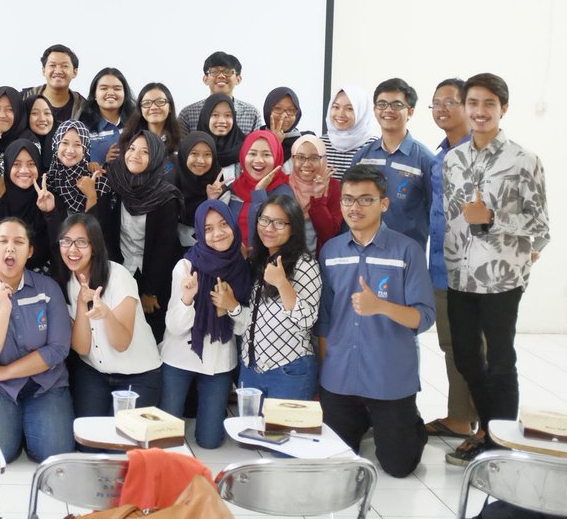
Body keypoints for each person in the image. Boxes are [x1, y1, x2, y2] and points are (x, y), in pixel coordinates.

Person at [443, 73, 550, 466]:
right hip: (459, 274)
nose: (480, 111)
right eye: (473, 103)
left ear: (503, 108)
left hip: (502, 278)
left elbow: (541, 227)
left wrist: (492, 220)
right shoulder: (452, 160)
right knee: (467, 359)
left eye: (489, 103)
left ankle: (501, 443)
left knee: (501, 360)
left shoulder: (523, 160)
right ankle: (489, 429)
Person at [317, 165, 434, 477]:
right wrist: (326, 369)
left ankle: (408, 420)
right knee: (336, 462)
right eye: (348, 200)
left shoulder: (406, 251)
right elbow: (325, 319)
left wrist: (380, 306)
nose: (355, 208)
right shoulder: (331, 251)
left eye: (366, 200)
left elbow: (424, 317)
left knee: (399, 466)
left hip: (388, 379)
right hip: (340, 379)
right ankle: (365, 420)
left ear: (384, 203)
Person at [0, 216, 75, 463]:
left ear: (30, 251)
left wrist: (7, 371)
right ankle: (17, 426)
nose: (10, 248)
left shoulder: (48, 288)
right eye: (3, 241)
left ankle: (28, 425)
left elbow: (58, 349)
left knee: (54, 454)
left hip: (44, 383)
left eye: (19, 242)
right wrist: (3, 310)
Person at [160, 200, 251, 449]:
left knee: (210, 442)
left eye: (223, 224)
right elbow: (174, 326)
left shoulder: (243, 269)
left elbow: (244, 329)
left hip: (219, 361)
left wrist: (232, 305)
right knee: (165, 437)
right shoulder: (186, 266)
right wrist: (188, 299)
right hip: (180, 356)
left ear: (233, 225)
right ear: (200, 232)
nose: (218, 233)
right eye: (208, 228)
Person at [213, 193, 321, 399]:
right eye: (264, 220)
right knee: (247, 432)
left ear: (294, 227)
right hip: (251, 369)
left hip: (289, 369)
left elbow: (307, 320)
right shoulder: (258, 261)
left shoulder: (305, 264)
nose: (269, 228)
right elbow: (252, 322)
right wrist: (233, 306)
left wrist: (282, 283)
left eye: (279, 223)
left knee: (284, 432)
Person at [54, 213, 162, 419]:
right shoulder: (65, 282)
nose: (72, 250)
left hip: (139, 374)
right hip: (94, 373)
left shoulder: (118, 276)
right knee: (88, 444)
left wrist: (106, 314)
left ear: (94, 246)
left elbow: (121, 343)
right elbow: (82, 347)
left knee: (124, 442)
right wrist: (80, 303)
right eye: (65, 241)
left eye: (81, 243)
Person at [424, 77, 478, 441]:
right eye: (436, 103)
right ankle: (459, 416)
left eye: (449, 102)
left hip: (478, 271)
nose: (441, 109)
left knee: (480, 350)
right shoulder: (440, 155)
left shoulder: (481, 153)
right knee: (451, 344)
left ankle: (489, 425)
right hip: (443, 267)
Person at [96, 130, 183, 342]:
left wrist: (150, 292)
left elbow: (165, 247)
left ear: (154, 158)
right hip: (118, 269)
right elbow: (105, 231)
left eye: (145, 151)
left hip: (153, 277)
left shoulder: (165, 196)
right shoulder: (115, 183)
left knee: (148, 336)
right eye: (132, 148)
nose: (135, 155)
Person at [350, 78, 436, 252]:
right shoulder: (362, 157)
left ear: (410, 112)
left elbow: (434, 213)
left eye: (397, 105)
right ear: (374, 110)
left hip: (407, 255)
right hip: (365, 252)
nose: (388, 110)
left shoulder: (425, 160)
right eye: (382, 104)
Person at [0, 139, 57, 274]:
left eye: (31, 164)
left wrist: (50, 213)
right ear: (7, 167)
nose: (24, 170)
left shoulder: (48, 198)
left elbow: (57, 246)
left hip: (41, 276)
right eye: (16, 164)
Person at [178, 52, 263, 135]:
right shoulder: (188, 114)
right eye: (214, 71)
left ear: (238, 79)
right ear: (205, 79)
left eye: (228, 72)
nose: (221, 76)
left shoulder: (251, 114)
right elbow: (182, 148)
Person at [228, 129, 289, 240]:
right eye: (252, 153)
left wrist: (259, 193)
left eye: (266, 154)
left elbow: (268, 235)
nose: (259, 160)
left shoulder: (284, 193)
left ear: (276, 157)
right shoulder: (234, 188)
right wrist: (214, 199)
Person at [287, 135, 343, 255]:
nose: (306, 164)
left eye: (314, 158)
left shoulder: (335, 187)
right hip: (286, 260)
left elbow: (328, 234)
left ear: (323, 159)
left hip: (321, 261)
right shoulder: (283, 185)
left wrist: (318, 197)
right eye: (300, 157)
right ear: (292, 159)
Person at [175, 132, 230, 247]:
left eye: (207, 155)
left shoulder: (220, 190)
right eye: (194, 154)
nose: (201, 160)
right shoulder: (171, 185)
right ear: (184, 154)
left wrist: (211, 201)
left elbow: (218, 230)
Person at [45, 120, 110, 216]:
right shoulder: (48, 182)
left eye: (78, 144)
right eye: (64, 143)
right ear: (56, 145)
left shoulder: (99, 182)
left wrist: (91, 196)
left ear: (85, 149)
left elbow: (102, 227)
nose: (70, 150)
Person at [78, 67, 135, 165]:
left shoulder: (135, 123)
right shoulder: (83, 128)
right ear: (95, 94)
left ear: (125, 94)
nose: (111, 93)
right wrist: (105, 164)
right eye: (104, 88)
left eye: (117, 88)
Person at [20, 44, 87, 125]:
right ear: (43, 70)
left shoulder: (83, 107)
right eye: (52, 65)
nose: (58, 71)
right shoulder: (24, 98)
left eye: (65, 66)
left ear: (75, 72)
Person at [321, 84, 378, 179]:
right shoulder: (321, 143)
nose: (340, 114)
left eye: (350, 109)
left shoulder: (374, 147)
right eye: (336, 107)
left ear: (362, 111)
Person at [120, 82, 182, 164]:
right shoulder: (129, 140)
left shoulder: (180, 143)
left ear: (170, 107)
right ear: (140, 109)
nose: (154, 107)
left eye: (160, 101)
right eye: (147, 103)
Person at [195, 93, 245, 182]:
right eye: (215, 115)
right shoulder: (192, 151)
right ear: (205, 117)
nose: (222, 121)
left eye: (228, 115)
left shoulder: (247, 150)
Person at [261, 86, 303, 158]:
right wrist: (273, 142)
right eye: (278, 109)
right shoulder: (255, 139)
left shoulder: (303, 142)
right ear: (268, 110)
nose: (284, 115)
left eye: (291, 110)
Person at [19, 94, 56, 161]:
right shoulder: (17, 146)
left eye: (47, 113)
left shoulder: (62, 143)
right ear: (25, 117)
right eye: (34, 113)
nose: (42, 119)